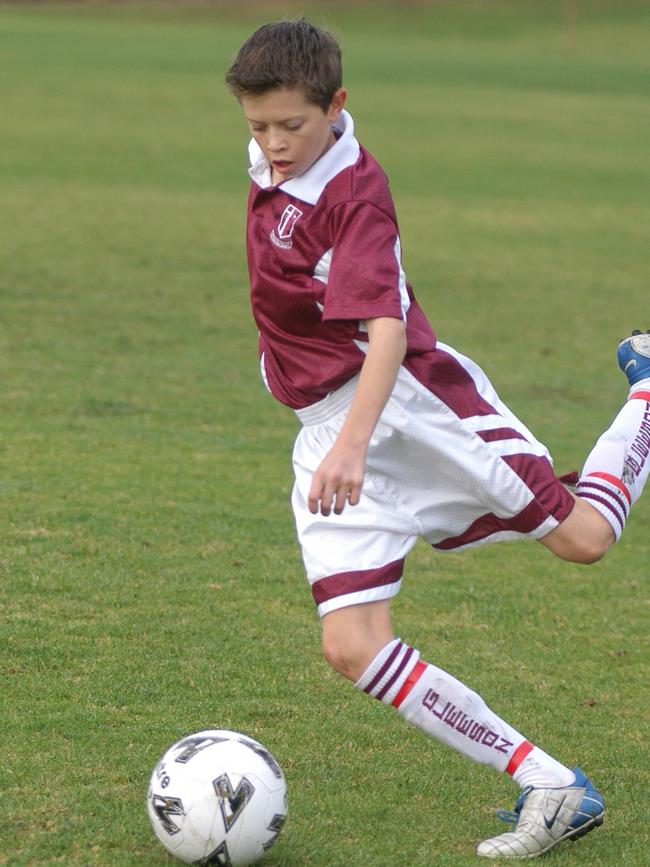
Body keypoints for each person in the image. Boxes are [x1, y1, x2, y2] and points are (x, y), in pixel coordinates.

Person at [225, 19, 650, 859]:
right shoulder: (282, 157)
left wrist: (352, 443)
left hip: (414, 413)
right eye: (256, 125)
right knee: (351, 646)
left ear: (337, 107)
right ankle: (552, 785)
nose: (272, 144)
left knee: (585, 540)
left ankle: (648, 391)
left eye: (290, 126)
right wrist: (332, 433)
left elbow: (385, 331)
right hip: (329, 430)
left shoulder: (355, 196)